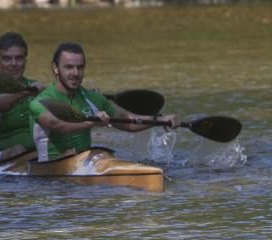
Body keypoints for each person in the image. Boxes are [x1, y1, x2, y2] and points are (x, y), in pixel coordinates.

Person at [29, 42, 180, 161]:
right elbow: (58, 125)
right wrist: (92, 123)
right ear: (55, 68)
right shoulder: (39, 102)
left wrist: (159, 119)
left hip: (85, 163)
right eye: (69, 67)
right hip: (50, 175)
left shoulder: (92, 98)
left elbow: (126, 120)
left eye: (80, 67)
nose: (75, 73)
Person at [0, 32, 47, 160]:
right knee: (18, 150)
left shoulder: (33, 85)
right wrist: (25, 93)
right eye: (7, 59)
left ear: (25, 60)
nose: (14, 64)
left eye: (19, 58)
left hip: (33, 154)